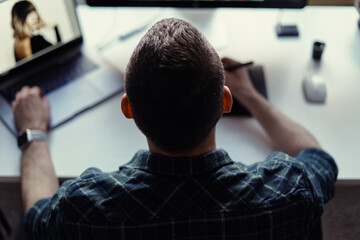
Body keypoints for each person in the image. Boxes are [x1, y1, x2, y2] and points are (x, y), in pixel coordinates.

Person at [12, 18, 337, 239]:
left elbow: (35, 220)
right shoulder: (290, 193)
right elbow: (318, 158)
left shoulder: (82, 209)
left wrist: (33, 133)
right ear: (225, 101)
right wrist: (249, 94)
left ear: (128, 108)